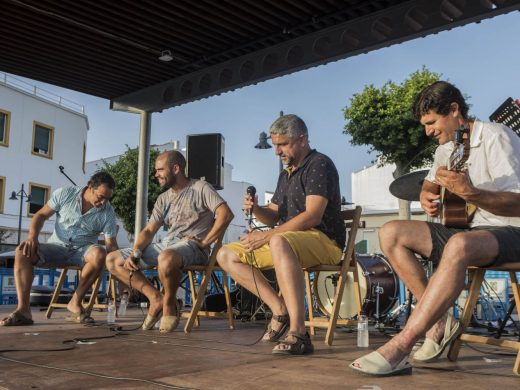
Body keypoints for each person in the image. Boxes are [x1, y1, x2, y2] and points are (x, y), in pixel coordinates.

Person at [350, 81, 520, 376]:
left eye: (431, 122)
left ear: (454, 110)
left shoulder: (497, 137)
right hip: (470, 231)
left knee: (459, 245)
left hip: (511, 230)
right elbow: (431, 183)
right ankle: (440, 322)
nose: (427, 131)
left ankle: (402, 344)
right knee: (390, 232)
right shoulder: (448, 148)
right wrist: (427, 196)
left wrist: (474, 194)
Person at [217, 114, 345, 355]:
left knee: (277, 239)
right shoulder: (286, 173)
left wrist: (267, 236)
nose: (277, 151)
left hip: (324, 241)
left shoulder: (319, 164)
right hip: (287, 242)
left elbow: (313, 216)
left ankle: (299, 332)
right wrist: (256, 208)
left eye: (282, 144)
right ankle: (280, 310)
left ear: (302, 139)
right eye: (275, 144)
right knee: (226, 255)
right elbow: (274, 214)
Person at [106, 150, 233, 332]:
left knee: (166, 257)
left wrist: (204, 243)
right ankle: (156, 298)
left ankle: (169, 305)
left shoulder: (200, 187)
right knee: (112, 260)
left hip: (192, 247)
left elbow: (225, 214)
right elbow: (149, 230)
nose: (156, 174)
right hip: (167, 246)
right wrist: (136, 253)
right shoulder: (163, 198)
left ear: (175, 168)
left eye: (159, 170)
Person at [1, 172, 119, 326]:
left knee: (100, 253)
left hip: (82, 251)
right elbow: (41, 215)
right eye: (101, 196)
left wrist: (120, 268)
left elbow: (111, 245)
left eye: (107, 198)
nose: (104, 202)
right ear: (90, 187)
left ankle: (75, 302)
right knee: (22, 252)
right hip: (56, 246)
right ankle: (23, 310)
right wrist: (32, 237)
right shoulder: (65, 194)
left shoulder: (108, 212)